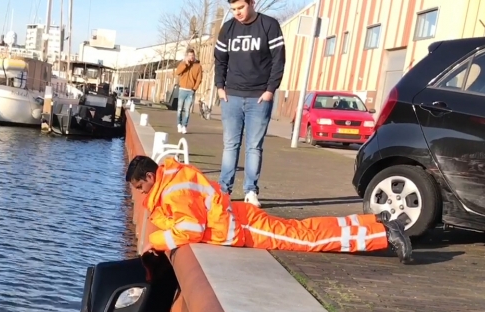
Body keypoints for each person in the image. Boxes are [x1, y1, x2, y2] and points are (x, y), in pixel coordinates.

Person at [126, 156, 413, 263]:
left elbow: (191, 228)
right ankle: (374, 221)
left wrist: (156, 240)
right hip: (239, 217)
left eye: (140, 187)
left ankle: (384, 234)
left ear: (150, 177)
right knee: (305, 230)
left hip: (241, 228)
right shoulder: (175, 179)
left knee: (308, 239)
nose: (140, 194)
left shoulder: (172, 192)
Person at [215, 0, 286, 208]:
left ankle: (251, 191)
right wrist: (220, 87)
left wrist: (270, 90)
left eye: (241, 8)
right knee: (230, 145)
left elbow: (278, 60)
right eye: (233, 9)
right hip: (232, 96)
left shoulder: (269, 25)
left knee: (254, 146)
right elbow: (220, 60)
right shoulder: (227, 28)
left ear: (252, 3)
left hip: (259, 97)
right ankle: (223, 191)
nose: (237, 13)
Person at [175, 48, 203, 135]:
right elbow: (177, 72)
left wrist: (194, 88)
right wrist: (185, 64)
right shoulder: (183, 64)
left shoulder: (198, 66)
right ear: (187, 56)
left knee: (187, 110)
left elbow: (199, 79)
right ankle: (179, 124)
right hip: (182, 89)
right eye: (190, 56)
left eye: (192, 55)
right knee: (179, 109)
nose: (191, 57)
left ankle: (184, 126)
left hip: (190, 91)